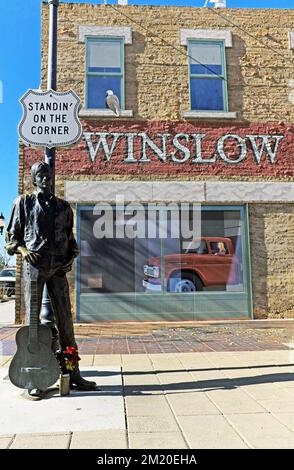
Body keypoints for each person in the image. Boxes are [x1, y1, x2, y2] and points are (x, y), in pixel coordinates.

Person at [5, 162, 97, 399]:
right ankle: (33, 378)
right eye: (41, 176)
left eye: (49, 175)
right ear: (34, 179)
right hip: (34, 268)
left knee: (66, 321)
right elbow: (11, 239)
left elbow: (71, 241)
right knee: (32, 322)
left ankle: (73, 372)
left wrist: (72, 256)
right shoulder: (23, 203)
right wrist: (24, 252)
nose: (46, 179)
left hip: (58, 268)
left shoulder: (64, 208)